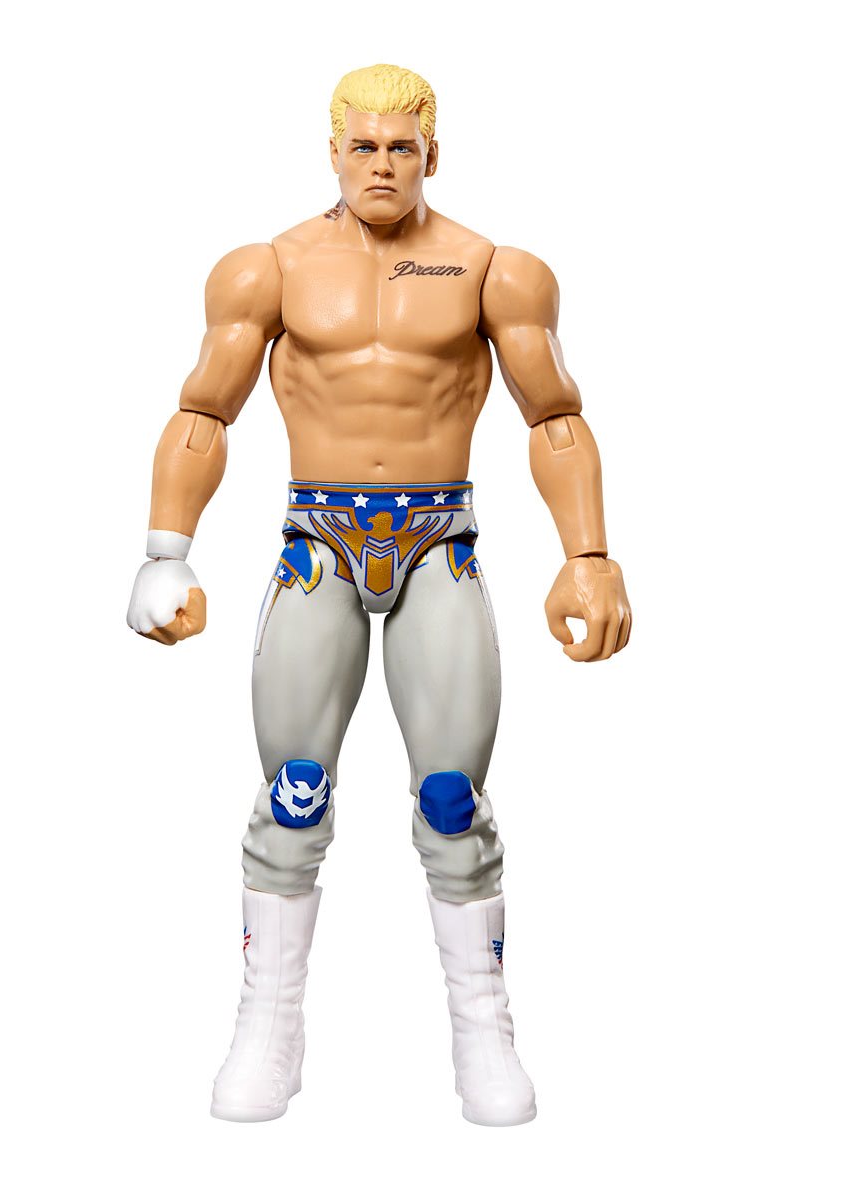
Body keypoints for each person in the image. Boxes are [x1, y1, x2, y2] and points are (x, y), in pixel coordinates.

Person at [127, 63, 631, 1126]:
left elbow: (555, 418)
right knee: (293, 791)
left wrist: (588, 554)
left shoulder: (494, 271)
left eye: (402, 147)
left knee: (453, 798)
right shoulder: (269, 268)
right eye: (364, 146)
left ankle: (483, 1026)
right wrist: (166, 550)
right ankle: (268, 1023)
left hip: (439, 537)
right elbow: (203, 412)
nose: (383, 165)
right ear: (333, 151)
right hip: (318, 537)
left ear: (433, 152)